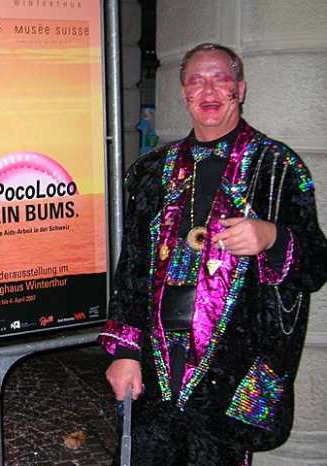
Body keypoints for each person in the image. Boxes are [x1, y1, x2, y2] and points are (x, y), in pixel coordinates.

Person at [99, 42, 327, 465]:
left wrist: (273, 237)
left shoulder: (278, 168)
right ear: (184, 92)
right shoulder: (151, 172)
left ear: (240, 89)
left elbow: (316, 264)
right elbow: (130, 269)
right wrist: (126, 353)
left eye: (220, 79)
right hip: (154, 364)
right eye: (196, 80)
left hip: (232, 369)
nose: (208, 90)